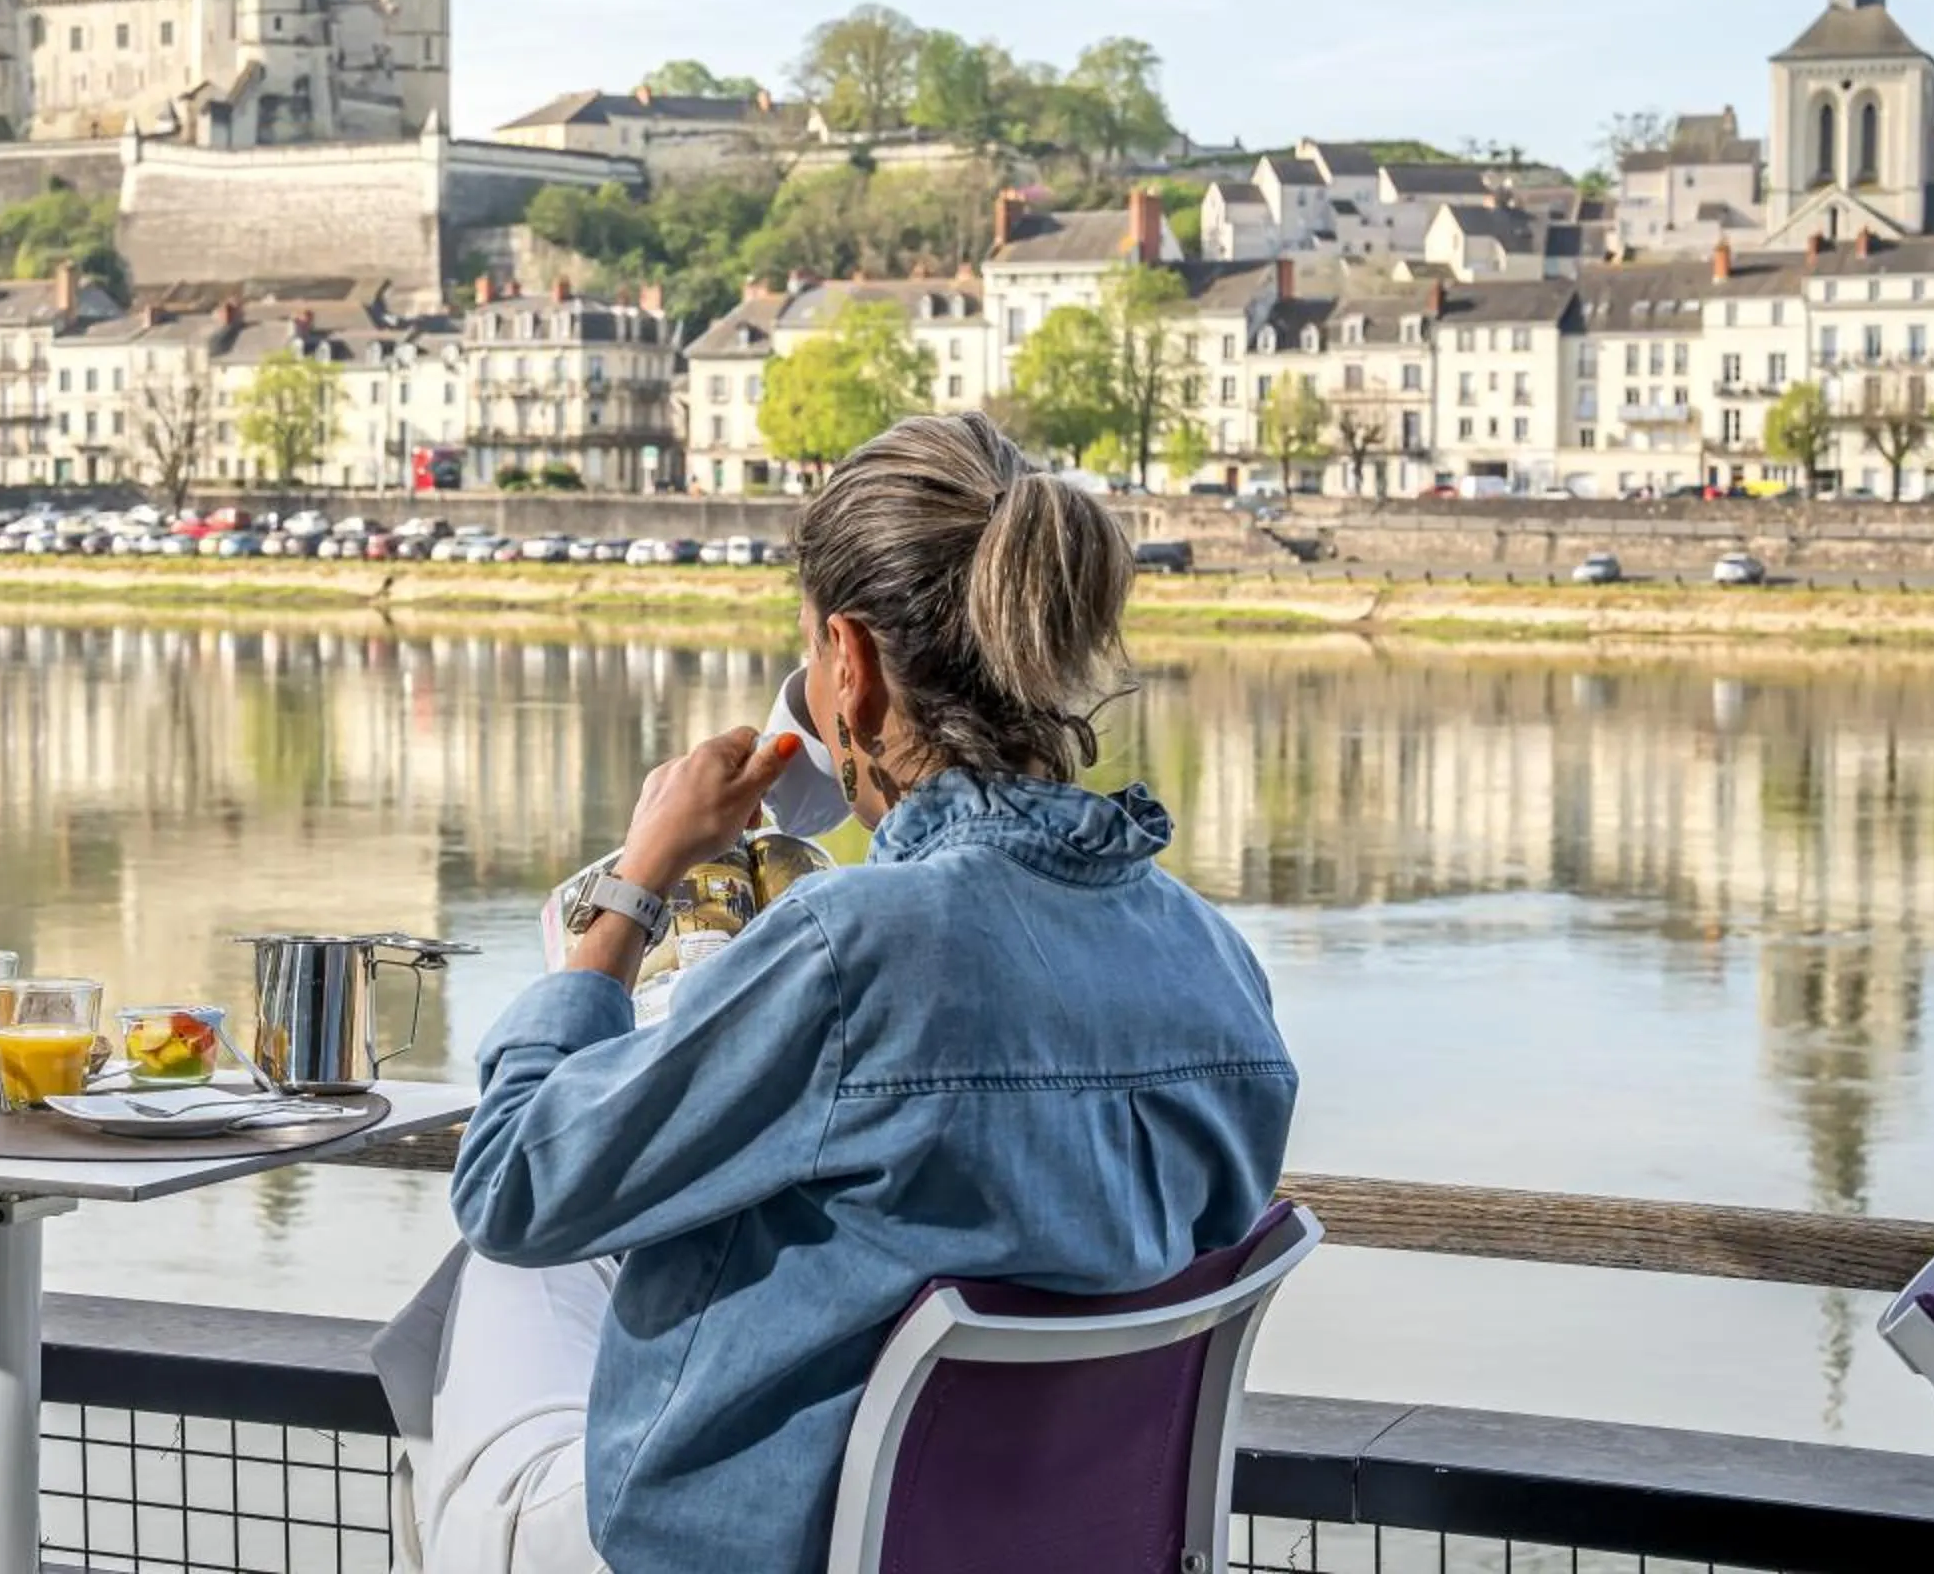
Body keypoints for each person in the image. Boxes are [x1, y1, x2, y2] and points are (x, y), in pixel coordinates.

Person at [396, 412, 1299, 1574]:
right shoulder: (1210, 954)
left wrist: (631, 885)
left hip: (762, 1549)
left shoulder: (851, 945)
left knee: (497, 1282)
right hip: (1052, 1544)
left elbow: (512, 1182)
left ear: (847, 664)